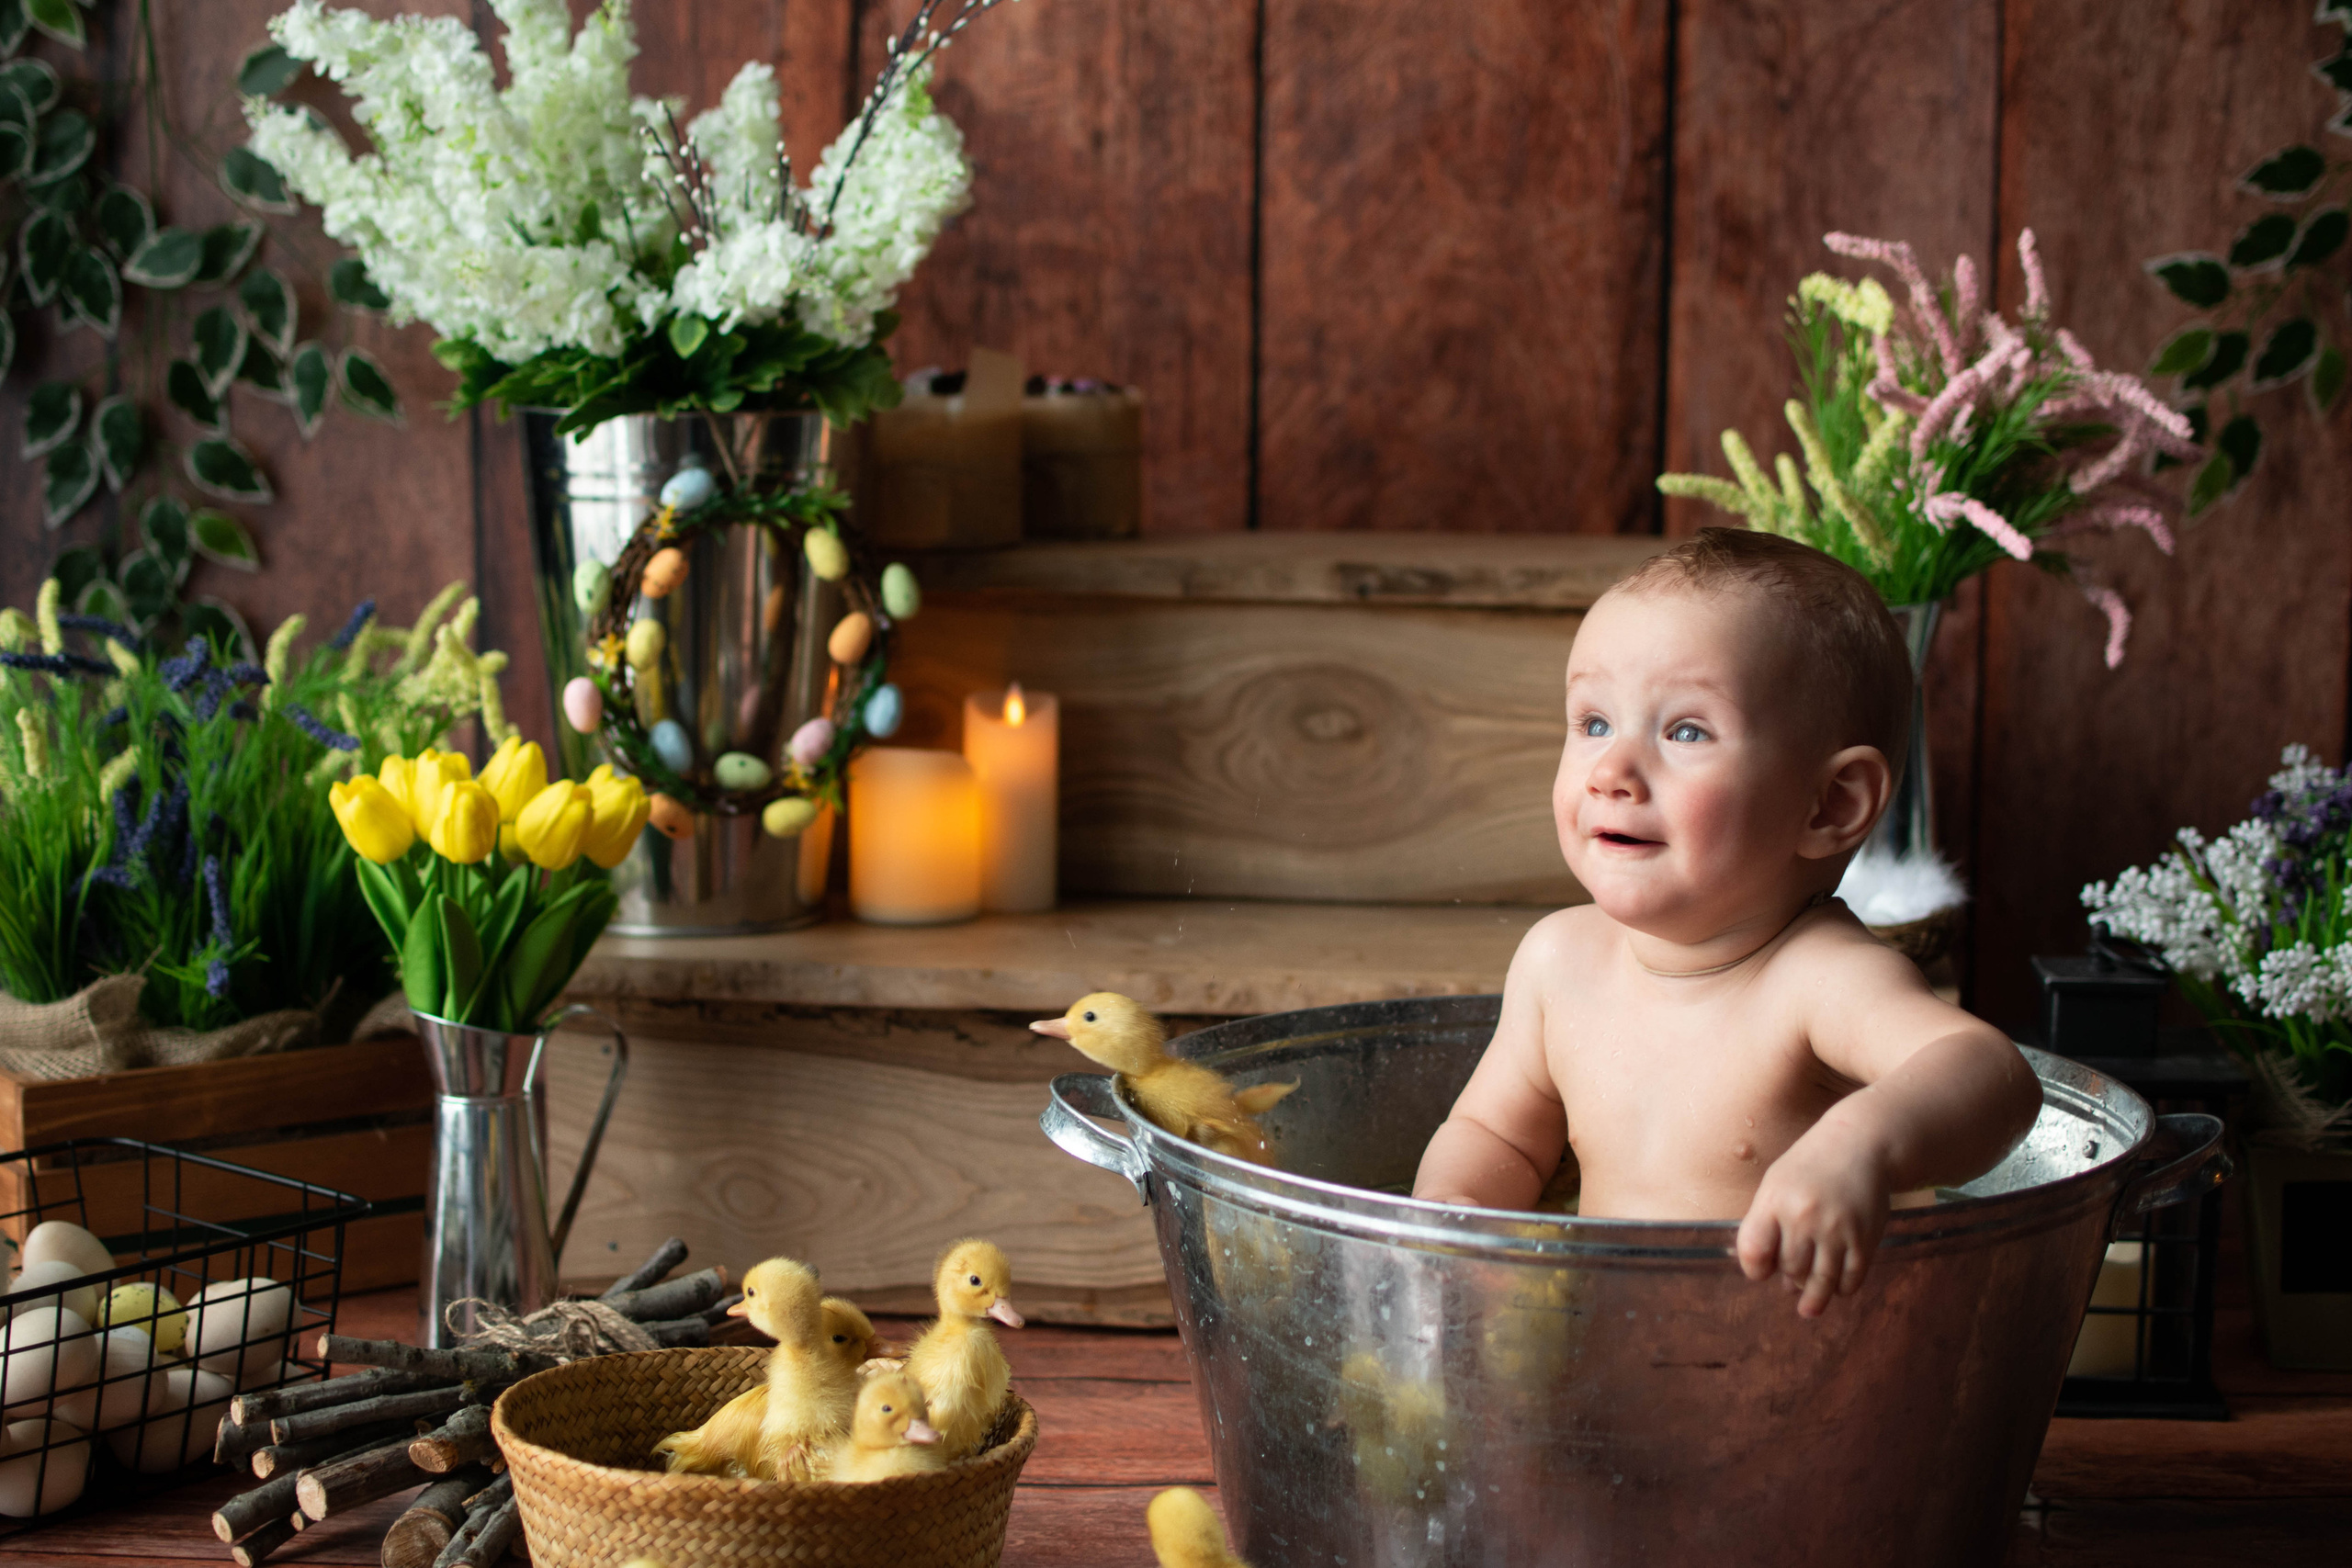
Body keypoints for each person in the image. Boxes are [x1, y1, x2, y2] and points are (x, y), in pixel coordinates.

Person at [1411, 528, 2042, 1317]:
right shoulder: (1557, 961)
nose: (1611, 772)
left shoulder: (1820, 979)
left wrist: (1860, 1147)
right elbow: (1497, 1137)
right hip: (1606, 1372)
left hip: (1789, 1394)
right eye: (1594, 722)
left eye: (1686, 731)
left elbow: (1992, 1072)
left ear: (1831, 804)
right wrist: (1452, 1212)